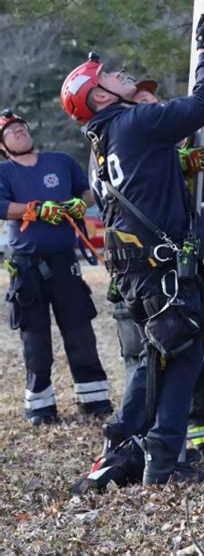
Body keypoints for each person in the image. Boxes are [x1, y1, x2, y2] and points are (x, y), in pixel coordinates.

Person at [60, 7, 204, 485]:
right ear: (98, 94)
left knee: (157, 357)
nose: (120, 73)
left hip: (137, 271)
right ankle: (164, 462)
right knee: (184, 354)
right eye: (109, 74)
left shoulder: (100, 148)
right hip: (157, 271)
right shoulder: (135, 125)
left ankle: (125, 444)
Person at [100, 78, 204, 460]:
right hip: (144, 273)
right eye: (141, 101)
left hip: (183, 269)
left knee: (203, 347)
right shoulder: (120, 141)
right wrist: (175, 162)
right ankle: (136, 447)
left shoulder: (174, 149)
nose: (152, 105)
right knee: (154, 358)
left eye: (153, 99)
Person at [0, 108, 112, 426]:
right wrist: (33, 210)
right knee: (35, 337)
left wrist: (82, 202)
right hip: (27, 267)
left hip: (65, 262)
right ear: (2, 145)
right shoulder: (4, 172)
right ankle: (41, 405)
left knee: (80, 331)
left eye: (21, 126)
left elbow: (88, 191)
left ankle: (94, 398)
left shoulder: (60, 162)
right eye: (10, 131)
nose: (19, 131)